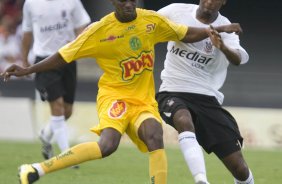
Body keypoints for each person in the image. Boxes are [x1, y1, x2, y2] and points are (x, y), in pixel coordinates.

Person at [1, 0, 242, 183]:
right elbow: (63, 56)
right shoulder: (99, 31)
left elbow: (187, 33)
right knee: (107, 146)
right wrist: (27, 69)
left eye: (132, 0)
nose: (128, 5)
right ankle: (36, 169)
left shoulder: (150, 21)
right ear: (114, 2)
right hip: (114, 96)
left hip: (143, 101)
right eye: (123, 1)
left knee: (155, 136)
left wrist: (218, 29)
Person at [156, 1, 254, 184]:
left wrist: (222, 47)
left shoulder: (227, 26)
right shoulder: (175, 10)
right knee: (183, 119)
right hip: (172, 91)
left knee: (239, 168)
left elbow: (238, 58)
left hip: (207, 98)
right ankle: (201, 180)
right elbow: (149, 23)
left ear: (223, 2)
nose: (209, 2)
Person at [21, 0, 91, 160]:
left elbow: (82, 25)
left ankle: (46, 135)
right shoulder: (31, 3)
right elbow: (27, 32)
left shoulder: (72, 1)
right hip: (44, 60)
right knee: (57, 106)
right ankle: (68, 155)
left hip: (67, 58)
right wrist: (24, 61)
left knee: (67, 111)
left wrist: (77, 43)